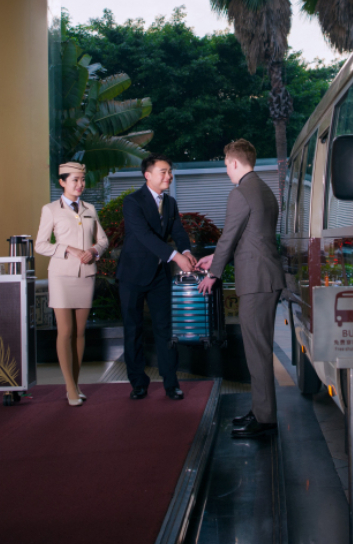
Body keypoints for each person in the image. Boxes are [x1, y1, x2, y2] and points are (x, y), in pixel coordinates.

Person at [197, 139, 285, 438]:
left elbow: (229, 236)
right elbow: (250, 238)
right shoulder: (264, 189)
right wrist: (216, 258)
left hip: (257, 281)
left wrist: (213, 273)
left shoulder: (240, 192)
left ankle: (265, 418)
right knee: (259, 349)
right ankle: (261, 410)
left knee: (257, 351)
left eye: (226, 165)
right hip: (265, 277)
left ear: (234, 163)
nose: (226, 171)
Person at [117, 155, 196, 401]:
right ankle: (138, 383)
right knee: (133, 330)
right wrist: (176, 257)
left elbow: (178, 231)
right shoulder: (132, 201)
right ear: (147, 175)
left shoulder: (170, 203)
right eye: (163, 172)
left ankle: (171, 383)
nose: (168, 176)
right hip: (132, 275)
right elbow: (144, 235)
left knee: (166, 329)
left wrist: (186, 251)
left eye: (169, 171)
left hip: (159, 275)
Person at [35, 162, 109, 406]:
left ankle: (75, 385)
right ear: (62, 182)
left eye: (82, 179)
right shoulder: (50, 210)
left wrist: (93, 251)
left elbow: (103, 241)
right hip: (61, 275)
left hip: (86, 275)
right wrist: (68, 248)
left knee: (79, 332)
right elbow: (41, 244)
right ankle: (70, 388)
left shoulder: (90, 209)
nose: (80, 184)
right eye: (75, 180)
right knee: (65, 331)